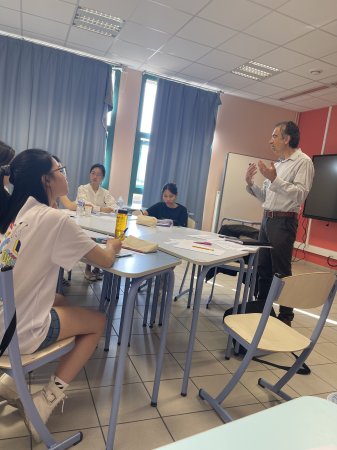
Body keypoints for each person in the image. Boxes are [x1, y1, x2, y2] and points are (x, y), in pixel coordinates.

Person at [0, 149, 122, 442]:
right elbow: (104, 261)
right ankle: (47, 400)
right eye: (61, 169)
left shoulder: (19, 215)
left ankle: (10, 382)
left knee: (62, 301)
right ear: (46, 179)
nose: (65, 173)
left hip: (3, 319)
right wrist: (114, 246)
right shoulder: (56, 220)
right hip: (20, 332)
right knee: (98, 321)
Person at [245, 121, 314, 326]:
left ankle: (285, 317)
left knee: (282, 271)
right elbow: (266, 195)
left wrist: (275, 180)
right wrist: (251, 184)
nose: (270, 140)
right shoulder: (279, 163)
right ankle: (262, 308)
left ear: (287, 139)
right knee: (264, 267)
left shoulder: (303, 162)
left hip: (284, 222)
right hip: (267, 218)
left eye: (275, 136)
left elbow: (300, 194)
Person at [77, 163, 118, 280]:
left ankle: (98, 267)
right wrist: (102, 209)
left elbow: (114, 207)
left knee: (104, 236)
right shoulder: (82, 188)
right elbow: (84, 204)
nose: (95, 176)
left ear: (102, 178)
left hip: (100, 223)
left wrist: (101, 209)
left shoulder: (105, 192)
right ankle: (88, 268)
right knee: (91, 238)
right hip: (85, 222)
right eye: (93, 173)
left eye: (98, 175)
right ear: (90, 175)